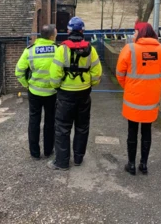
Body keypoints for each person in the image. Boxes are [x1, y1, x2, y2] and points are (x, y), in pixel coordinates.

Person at [48, 16, 102, 170]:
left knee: (62, 129)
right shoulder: (91, 50)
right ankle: (78, 158)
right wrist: (90, 83)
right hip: (84, 94)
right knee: (82, 127)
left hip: (65, 94)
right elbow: (97, 73)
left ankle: (62, 162)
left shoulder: (61, 49)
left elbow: (55, 74)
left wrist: (57, 87)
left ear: (68, 31)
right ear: (83, 31)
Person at [116, 22, 161, 175]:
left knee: (132, 131)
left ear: (139, 33)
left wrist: (128, 87)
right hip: (152, 99)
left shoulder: (130, 49)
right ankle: (144, 165)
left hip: (133, 99)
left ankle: (131, 164)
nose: (133, 35)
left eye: (135, 32)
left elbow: (120, 73)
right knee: (147, 131)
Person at [15, 24, 58, 160]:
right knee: (50, 121)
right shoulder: (58, 50)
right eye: (55, 32)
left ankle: (34, 152)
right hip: (52, 92)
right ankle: (48, 150)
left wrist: (26, 84)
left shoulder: (30, 50)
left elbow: (19, 71)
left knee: (34, 121)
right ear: (52, 36)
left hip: (34, 91)